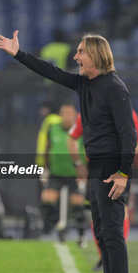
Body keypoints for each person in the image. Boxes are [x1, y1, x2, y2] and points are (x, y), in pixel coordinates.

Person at [0, 31, 137, 273]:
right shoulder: (86, 84)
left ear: (96, 55)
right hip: (96, 166)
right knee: (102, 231)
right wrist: (19, 54)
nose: (76, 56)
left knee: (113, 232)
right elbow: (52, 71)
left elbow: (128, 134)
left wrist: (123, 173)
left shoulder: (115, 87)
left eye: (81, 51)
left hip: (111, 167)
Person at [68, 110, 138, 270]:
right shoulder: (86, 112)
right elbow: (72, 138)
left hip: (119, 170)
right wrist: (78, 164)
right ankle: (103, 256)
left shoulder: (127, 112)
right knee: (96, 213)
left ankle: (117, 256)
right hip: (96, 170)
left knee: (119, 210)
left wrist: (122, 160)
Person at [41, 102, 86, 245]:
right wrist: (45, 169)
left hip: (75, 175)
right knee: (47, 200)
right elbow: (47, 149)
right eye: (64, 114)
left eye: (69, 114)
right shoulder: (53, 129)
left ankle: (81, 236)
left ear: (75, 115)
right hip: (56, 173)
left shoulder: (82, 129)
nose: (66, 117)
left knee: (78, 206)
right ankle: (59, 226)